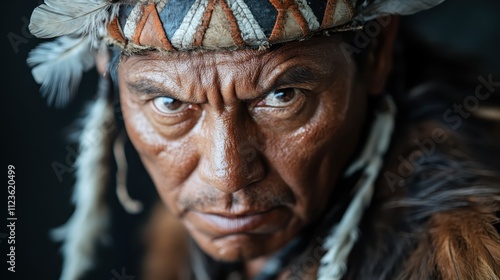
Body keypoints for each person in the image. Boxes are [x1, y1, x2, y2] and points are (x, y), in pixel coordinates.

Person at [27, 0, 500, 279]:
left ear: (373, 54)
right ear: (106, 72)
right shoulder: (169, 248)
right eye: (170, 104)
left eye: (282, 95)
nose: (227, 174)